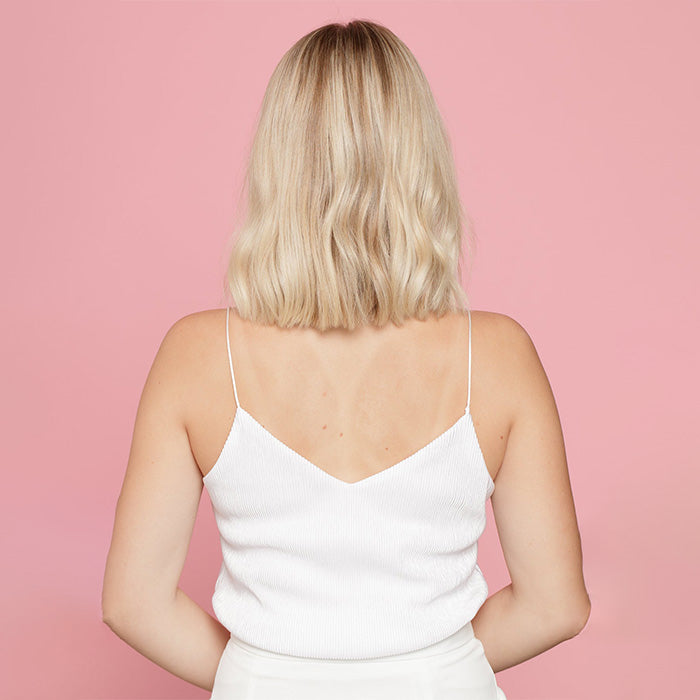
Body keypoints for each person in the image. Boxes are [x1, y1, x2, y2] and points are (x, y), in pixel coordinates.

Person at [101, 19, 590, 700]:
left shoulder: (196, 357)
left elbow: (134, 604)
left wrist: (267, 674)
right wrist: (429, 667)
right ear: (420, 161)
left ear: (278, 164)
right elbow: (555, 606)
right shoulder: (501, 357)